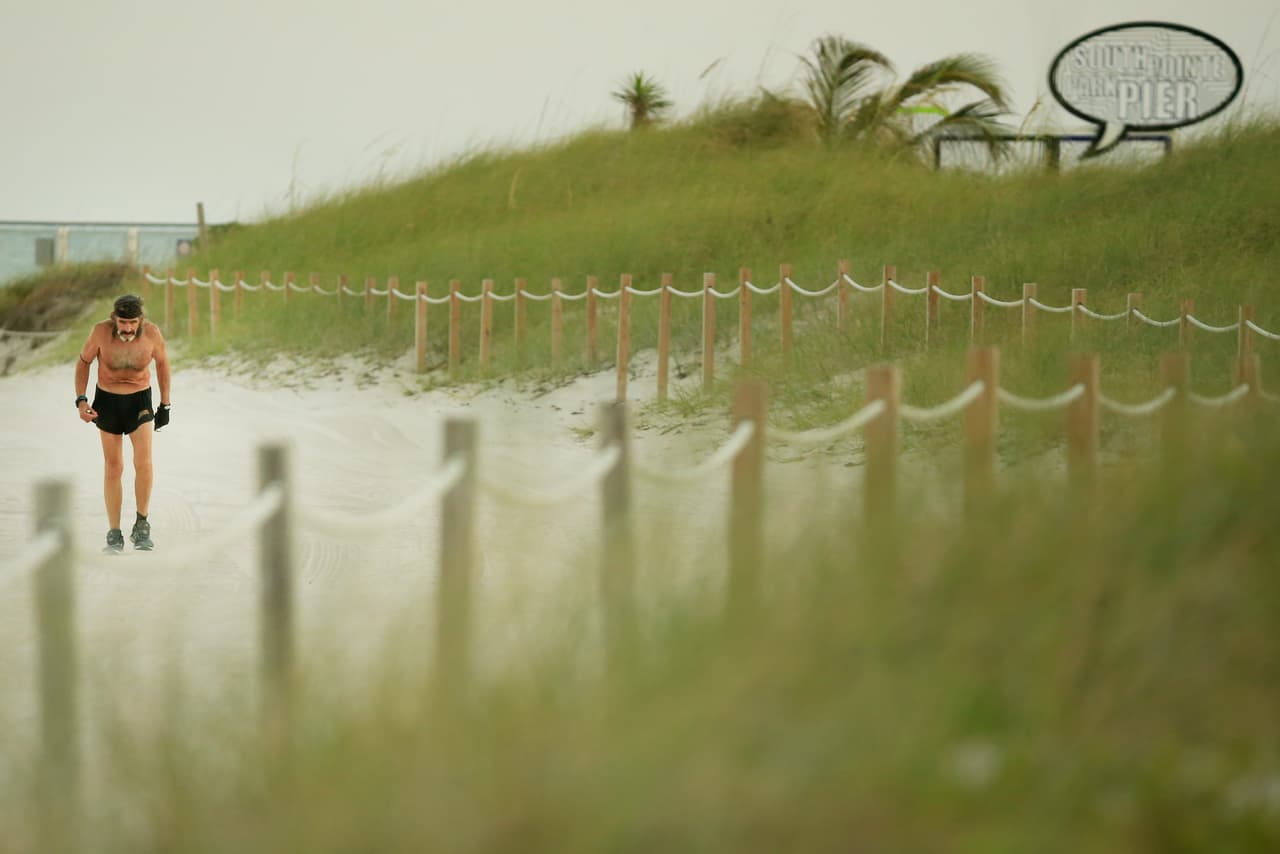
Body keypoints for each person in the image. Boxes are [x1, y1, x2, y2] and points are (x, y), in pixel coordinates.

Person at [74, 294, 171, 553]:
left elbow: (162, 364)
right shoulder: (100, 332)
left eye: (133, 323)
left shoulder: (152, 334)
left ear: (140, 320)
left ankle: (142, 525)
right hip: (107, 401)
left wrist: (165, 405)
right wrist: (81, 400)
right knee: (113, 467)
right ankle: (114, 532)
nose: (128, 328)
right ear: (114, 319)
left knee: (144, 462)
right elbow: (84, 362)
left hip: (139, 400)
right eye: (123, 322)